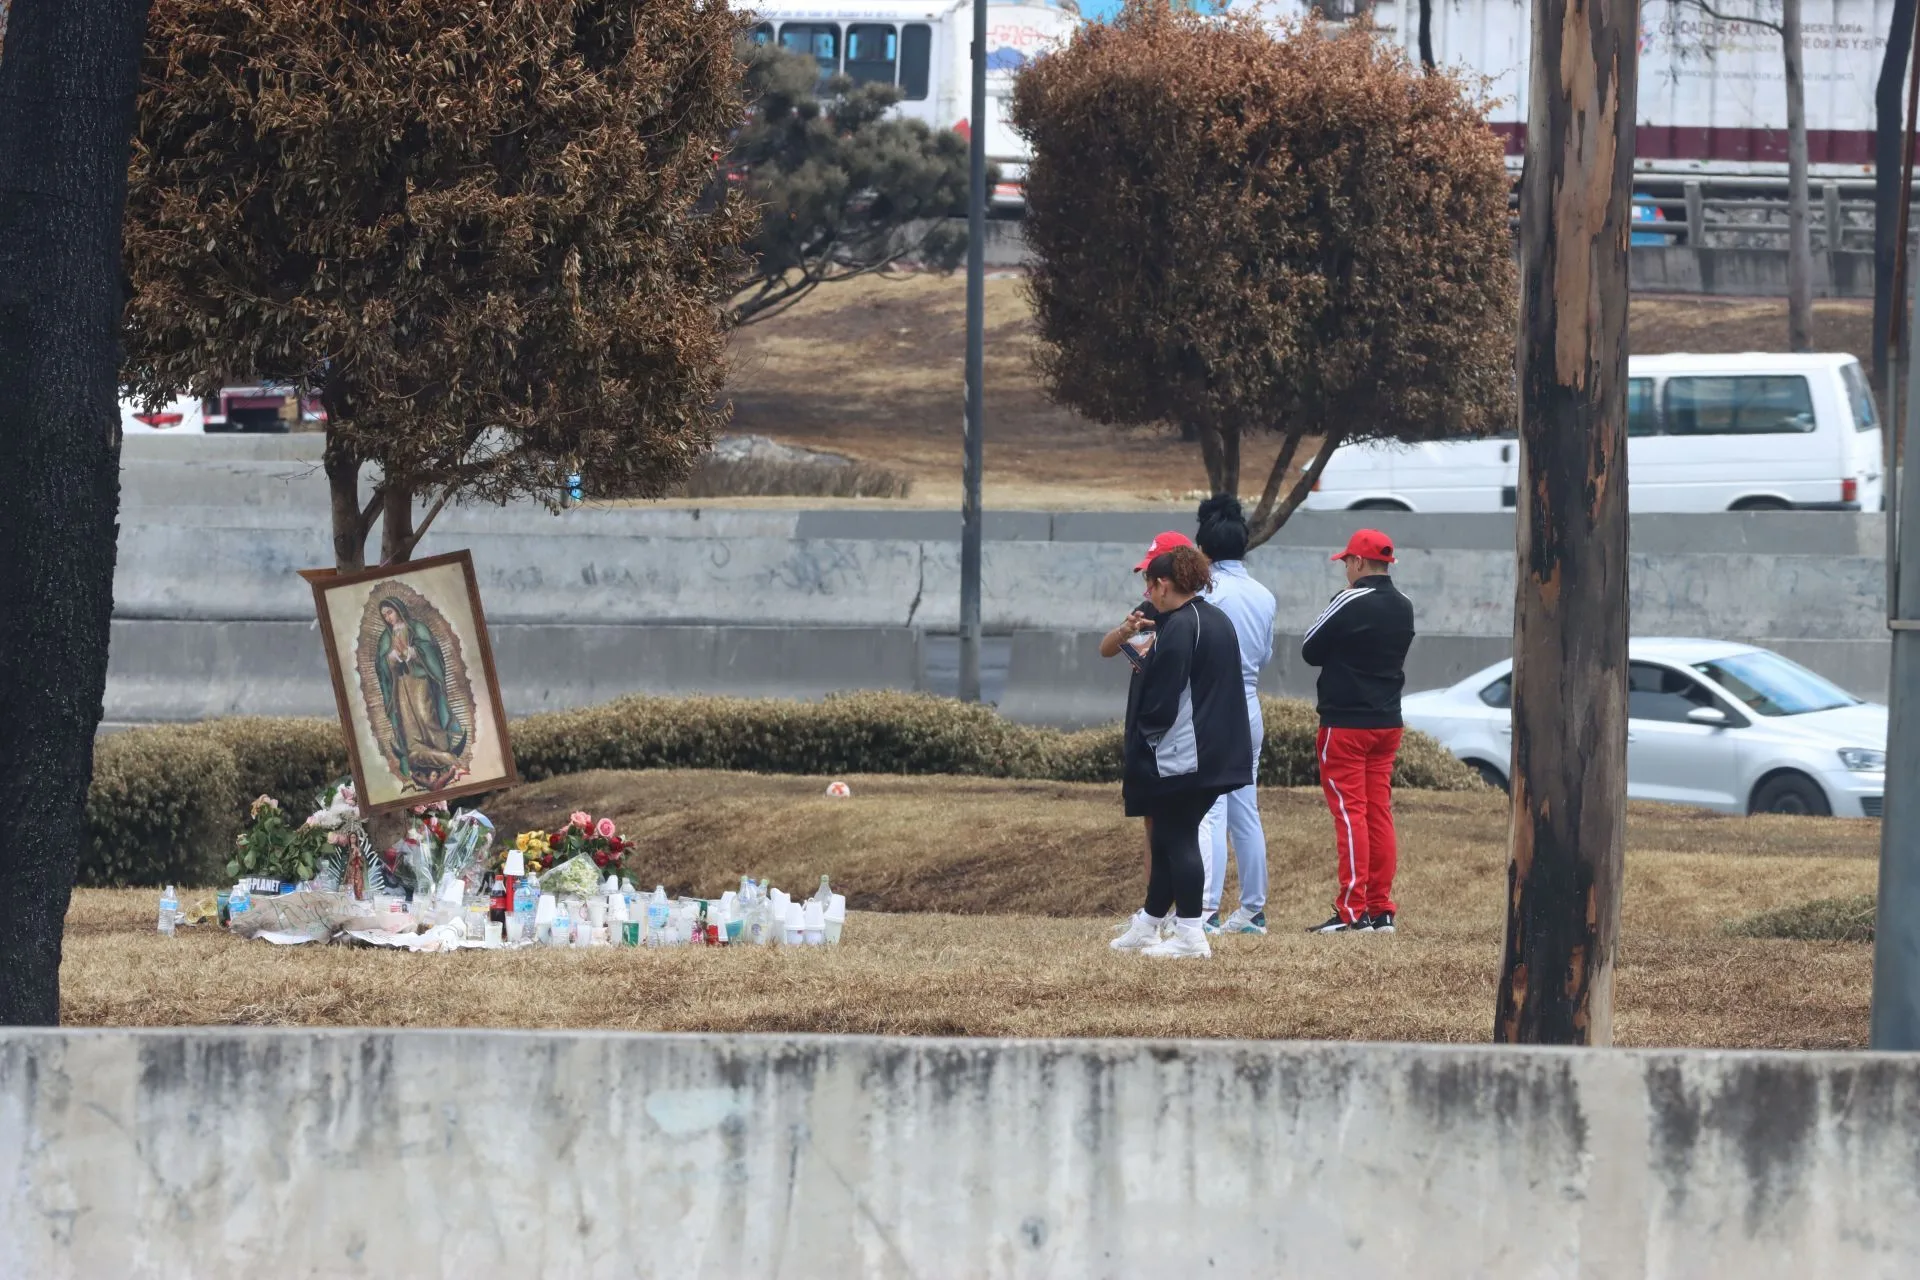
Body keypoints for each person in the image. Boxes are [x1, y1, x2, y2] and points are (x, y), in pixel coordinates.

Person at [1110, 545, 1254, 959]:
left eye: (1149, 586)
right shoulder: (1215, 618)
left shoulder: (1178, 626)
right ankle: (1149, 923)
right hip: (1219, 747)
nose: (1149, 595)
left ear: (1163, 584)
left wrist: (1144, 735)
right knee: (1169, 835)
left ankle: (1190, 932)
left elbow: (1162, 695)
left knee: (1177, 835)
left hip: (1187, 751)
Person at [1301, 530, 1415, 935]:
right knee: (1378, 811)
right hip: (1387, 721)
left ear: (1359, 562)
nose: (1345, 569)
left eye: (1347, 561)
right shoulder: (1404, 605)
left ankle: (1352, 910)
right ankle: (1380, 908)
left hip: (1345, 722)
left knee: (1351, 815)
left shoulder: (1349, 599)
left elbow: (1310, 648)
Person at [1099, 531, 1195, 942]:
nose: (1148, 586)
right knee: (1151, 824)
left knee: (1177, 830)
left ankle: (1181, 914)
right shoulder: (1149, 612)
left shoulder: (1189, 619)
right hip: (1142, 726)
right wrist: (1126, 631)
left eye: (1152, 576)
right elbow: (1106, 649)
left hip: (1173, 735)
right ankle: (1153, 912)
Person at [1192, 497, 1276, 936]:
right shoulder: (1264, 594)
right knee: (1246, 808)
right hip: (1249, 704)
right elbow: (1264, 655)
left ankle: (1205, 910)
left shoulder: (1206, 593)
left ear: (1204, 549)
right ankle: (1253, 911)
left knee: (1210, 809)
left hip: (1213, 704)